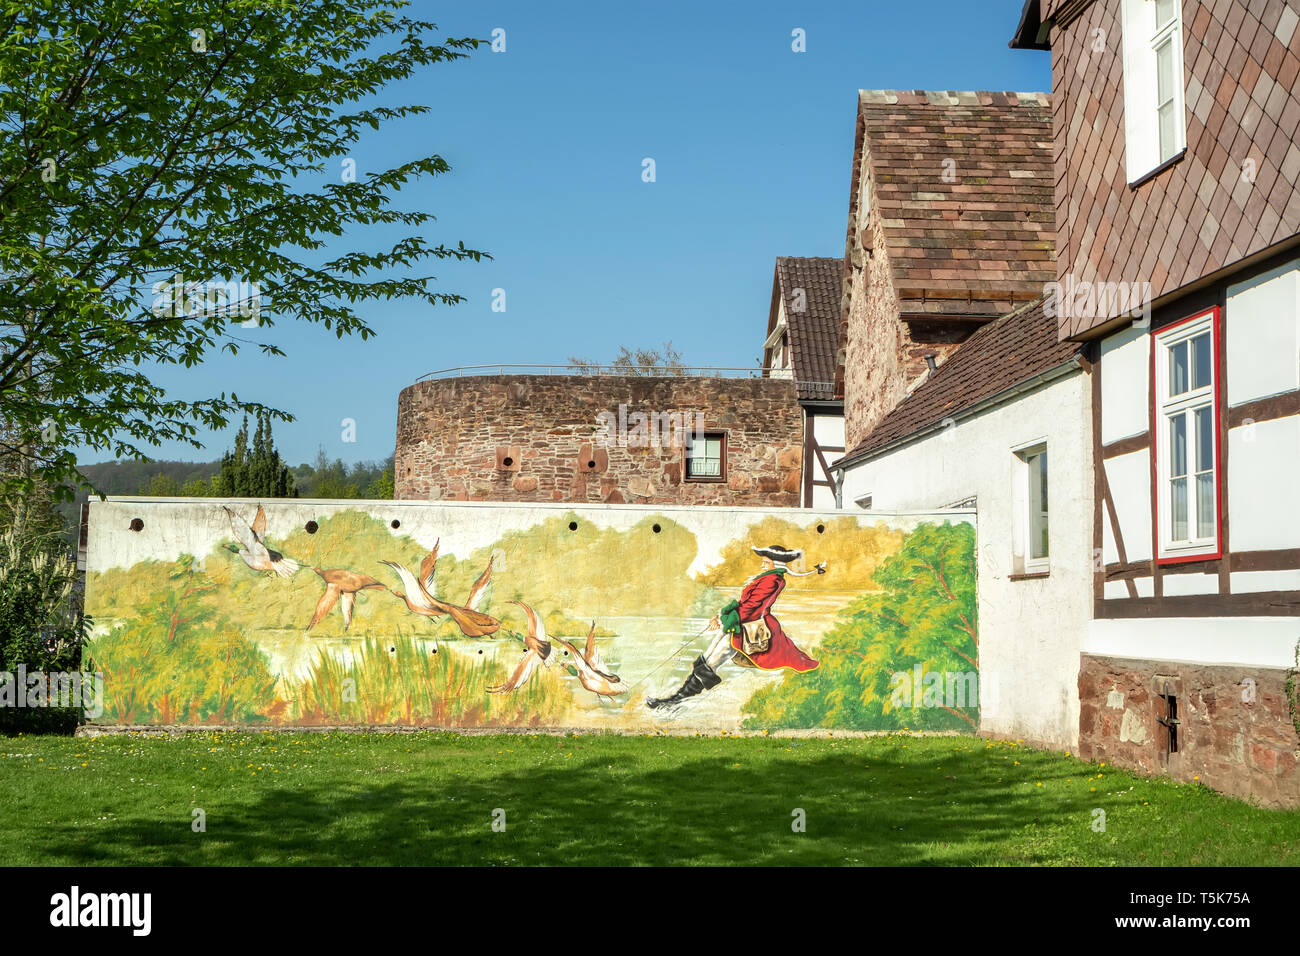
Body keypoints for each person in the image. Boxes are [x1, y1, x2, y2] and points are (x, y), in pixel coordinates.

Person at [647, 545, 823, 709]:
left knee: (712, 661)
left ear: (775, 564)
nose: (762, 565)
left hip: (747, 628)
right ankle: (676, 699)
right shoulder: (766, 578)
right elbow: (743, 603)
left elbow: (750, 608)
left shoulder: (771, 581)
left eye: (766, 562)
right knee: (707, 658)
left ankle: (676, 702)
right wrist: (721, 615)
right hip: (739, 623)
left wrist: (724, 621)